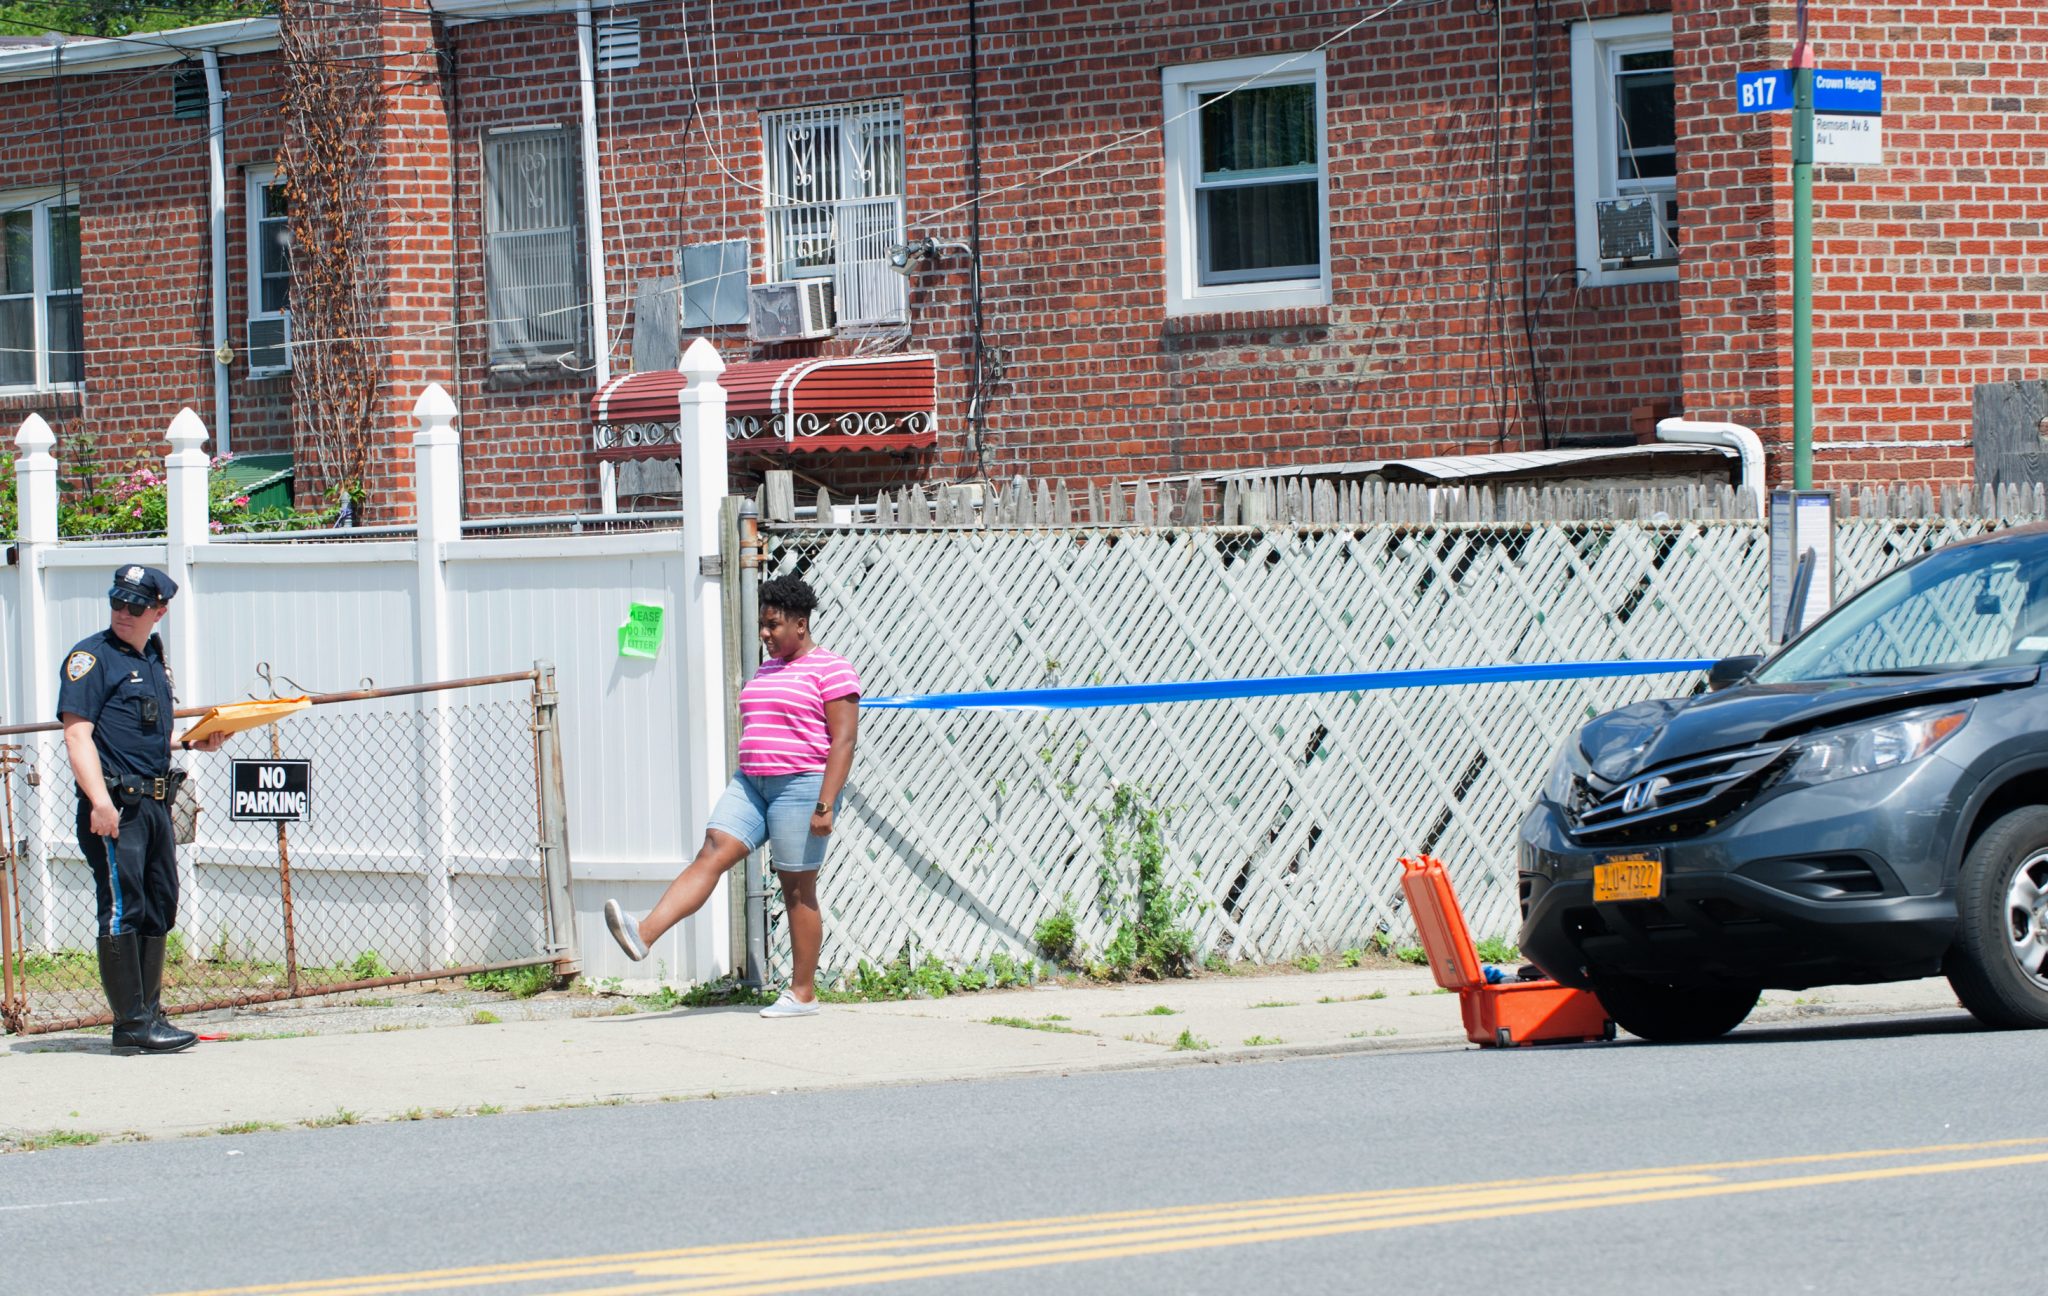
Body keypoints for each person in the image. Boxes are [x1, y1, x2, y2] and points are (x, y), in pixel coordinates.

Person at [605, 574, 859, 1018]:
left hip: (800, 785)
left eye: (773, 625)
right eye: (763, 624)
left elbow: (843, 742)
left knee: (796, 889)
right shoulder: (769, 668)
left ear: (800, 624)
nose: (765, 634)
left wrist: (825, 803)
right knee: (712, 852)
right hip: (751, 783)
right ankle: (642, 934)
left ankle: (802, 994)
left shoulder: (832, 668)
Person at [58, 565, 227, 1055]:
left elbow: (147, 734)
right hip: (116, 808)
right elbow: (77, 735)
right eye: (117, 603)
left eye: (135, 606)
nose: (123, 613)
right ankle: (130, 1024)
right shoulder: (92, 658)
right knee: (122, 909)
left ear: (159, 610)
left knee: (158, 904)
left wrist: (195, 742)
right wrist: (100, 802)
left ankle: (149, 1014)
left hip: (155, 803)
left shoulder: (151, 656)